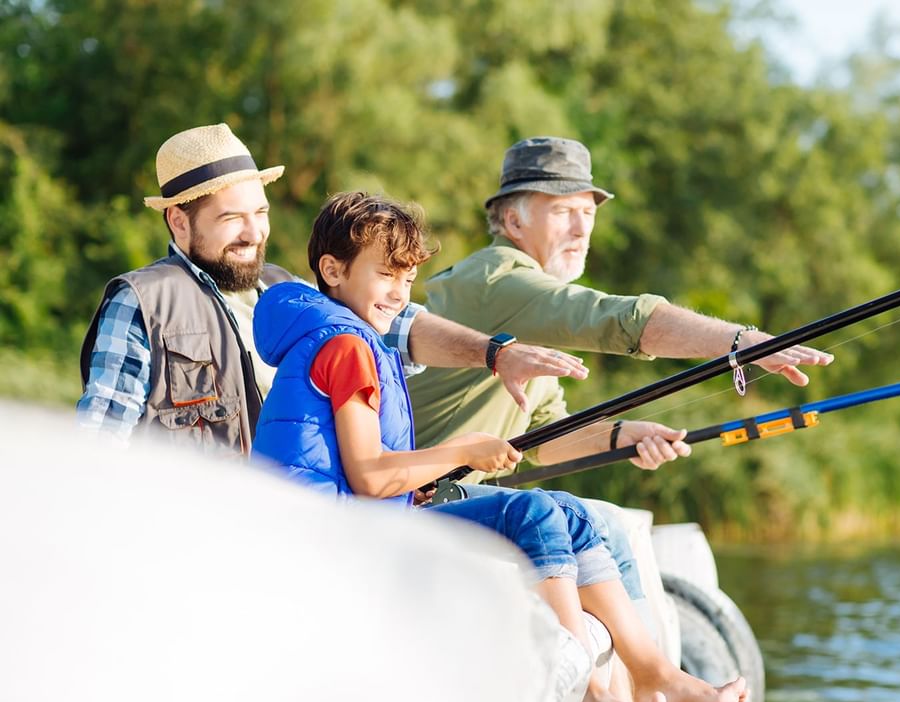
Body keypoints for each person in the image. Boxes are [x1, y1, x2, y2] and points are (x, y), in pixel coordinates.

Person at [250, 191, 748, 702]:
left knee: (573, 514)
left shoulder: (351, 337)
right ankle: (580, 691)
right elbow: (371, 476)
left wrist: (420, 478)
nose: (399, 295)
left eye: (408, 280)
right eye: (385, 276)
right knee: (531, 512)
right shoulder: (347, 346)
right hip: (341, 533)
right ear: (332, 269)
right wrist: (462, 451)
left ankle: (655, 676)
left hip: (369, 515)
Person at [77, 123, 584, 454]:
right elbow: (100, 442)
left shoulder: (287, 290)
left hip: (301, 530)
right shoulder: (142, 301)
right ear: (179, 223)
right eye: (232, 218)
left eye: (261, 213)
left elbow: (400, 322)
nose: (254, 233)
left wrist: (495, 354)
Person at [408, 136, 834, 479]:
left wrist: (624, 437)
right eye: (562, 211)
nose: (580, 229)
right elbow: (616, 319)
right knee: (590, 525)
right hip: (413, 495)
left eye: (587, 212)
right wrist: (743, 342)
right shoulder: (496, 279)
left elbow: (542, 437)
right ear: (515, 222)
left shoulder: (528, 302)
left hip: (449, 499)